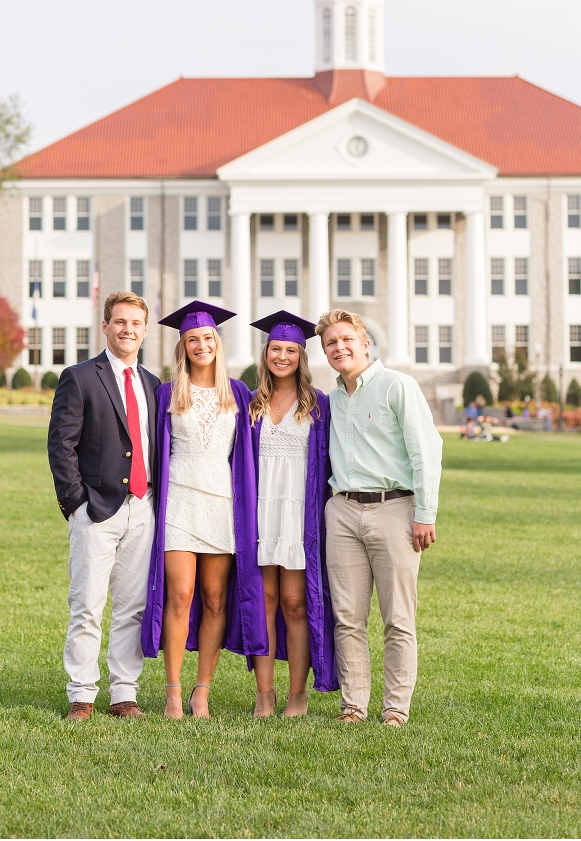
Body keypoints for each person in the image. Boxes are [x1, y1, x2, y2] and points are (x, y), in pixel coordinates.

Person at [141, 301, 266, 719]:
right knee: (180, 595)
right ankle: (173, 690)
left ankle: (202, 691)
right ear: (183, 345)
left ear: (218, 342)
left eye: (208, 338)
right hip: (179, 498)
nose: (201, 344)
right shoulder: (167, 393)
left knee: (215, 599)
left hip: (222, 503)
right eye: (193, 339)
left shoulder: (238, 393)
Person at [317, 309, 442, 727]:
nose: (340, 348)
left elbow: (427, 451)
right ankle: (353, 705)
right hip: (343, 511)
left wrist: (425, 513)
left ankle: (395, 709)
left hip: (395, 509)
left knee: (398, 617)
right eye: (331, 343)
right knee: (348, 617)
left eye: (347, 340)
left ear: (365, 342)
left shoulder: (398, 386)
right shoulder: (331, 400)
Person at [48, 291, 159, 721]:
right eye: (120, 322)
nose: (128, 329)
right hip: (94, 510)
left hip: (142, 507)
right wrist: (75, 503)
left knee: (132, 607)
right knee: (88, 605)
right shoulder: (79, 378)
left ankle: (124, 693)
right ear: (106, 327)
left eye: (136, 323)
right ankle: (81, 693)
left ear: (145, 331)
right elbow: (61, 446)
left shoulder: (152, 384)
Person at [248, 311, 338, 718]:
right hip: (261, 512)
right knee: (263, 600)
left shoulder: (319, 405)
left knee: (294, 602)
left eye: (290, 350)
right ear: (265, 353)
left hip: (299, 515)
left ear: (301, 356)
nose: (281, 356)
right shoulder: (252, 405)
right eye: (275, 349)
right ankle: (264, 693)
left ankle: (297, 693)